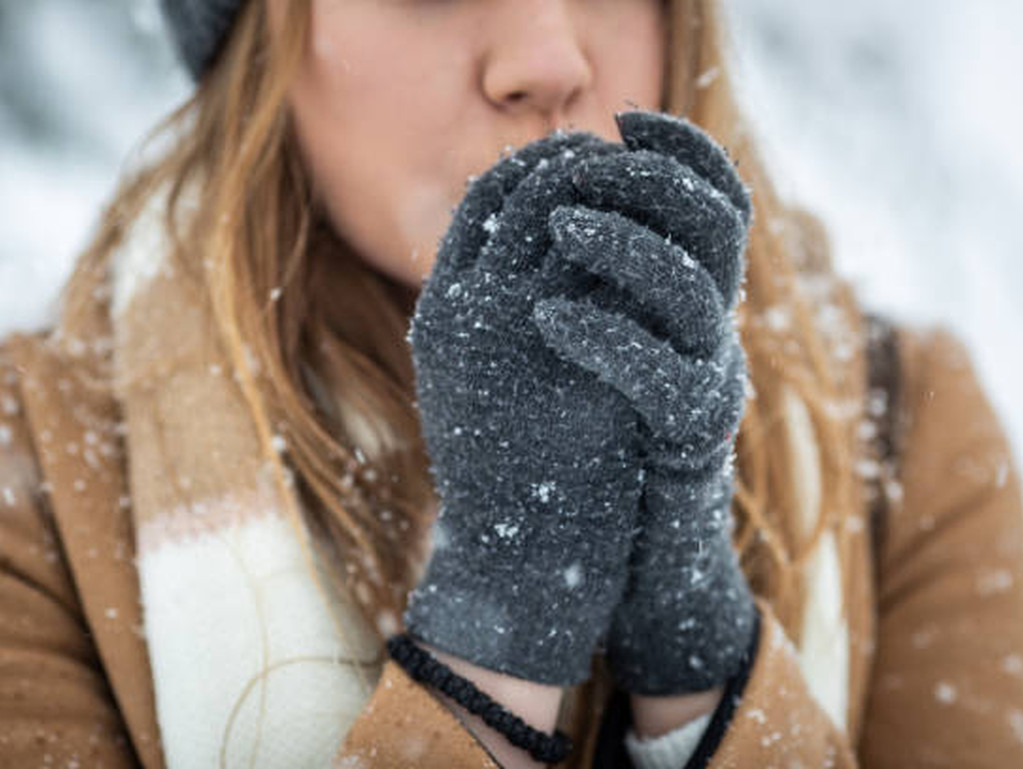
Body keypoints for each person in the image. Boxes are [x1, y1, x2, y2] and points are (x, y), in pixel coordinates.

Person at [1, 0, 1021, 766]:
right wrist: (501, 624)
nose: (548, 57)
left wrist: (697, 664)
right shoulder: (33, 485)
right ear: (258, 39)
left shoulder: (906, 431)